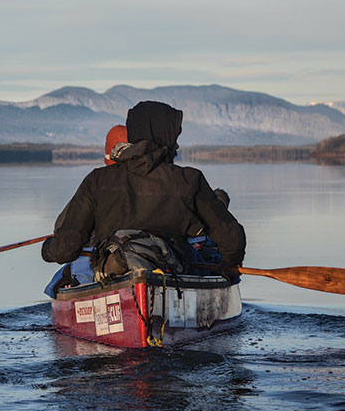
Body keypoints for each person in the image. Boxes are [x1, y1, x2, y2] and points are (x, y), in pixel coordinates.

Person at [41, 100, 245, 281]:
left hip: (113, 270)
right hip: (171, 269)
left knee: (71, 276)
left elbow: (66, 248)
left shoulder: (98, 179)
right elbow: (231, 237)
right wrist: (229, 264)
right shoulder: (189, 179)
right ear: (166, 135)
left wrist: (48, 250)